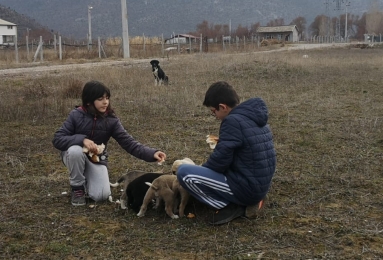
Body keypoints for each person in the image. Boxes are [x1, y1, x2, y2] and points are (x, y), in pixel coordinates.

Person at [177, 81, 276, 225]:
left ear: (223, 107)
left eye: (213, 111)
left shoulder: (232, 121)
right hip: (259, 184)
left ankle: (231, 206)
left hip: (247, 188)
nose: (215, 116)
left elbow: (219, 161)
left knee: (185, 173)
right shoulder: (254, 117)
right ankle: (247, 201)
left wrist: (202, 171)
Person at [53, 80, 166, 206]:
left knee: (102, 195)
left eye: (107, 98)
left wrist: (152, 153)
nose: (105, 102)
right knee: (75, 151)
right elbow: (57, 139)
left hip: (96, 160)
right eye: (100, 99)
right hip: (73, 156)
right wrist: (82, 140)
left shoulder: (111, 120)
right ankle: (77, 188)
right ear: (89, 101)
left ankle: (87, 179)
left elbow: (129, 143)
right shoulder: (76, 115)